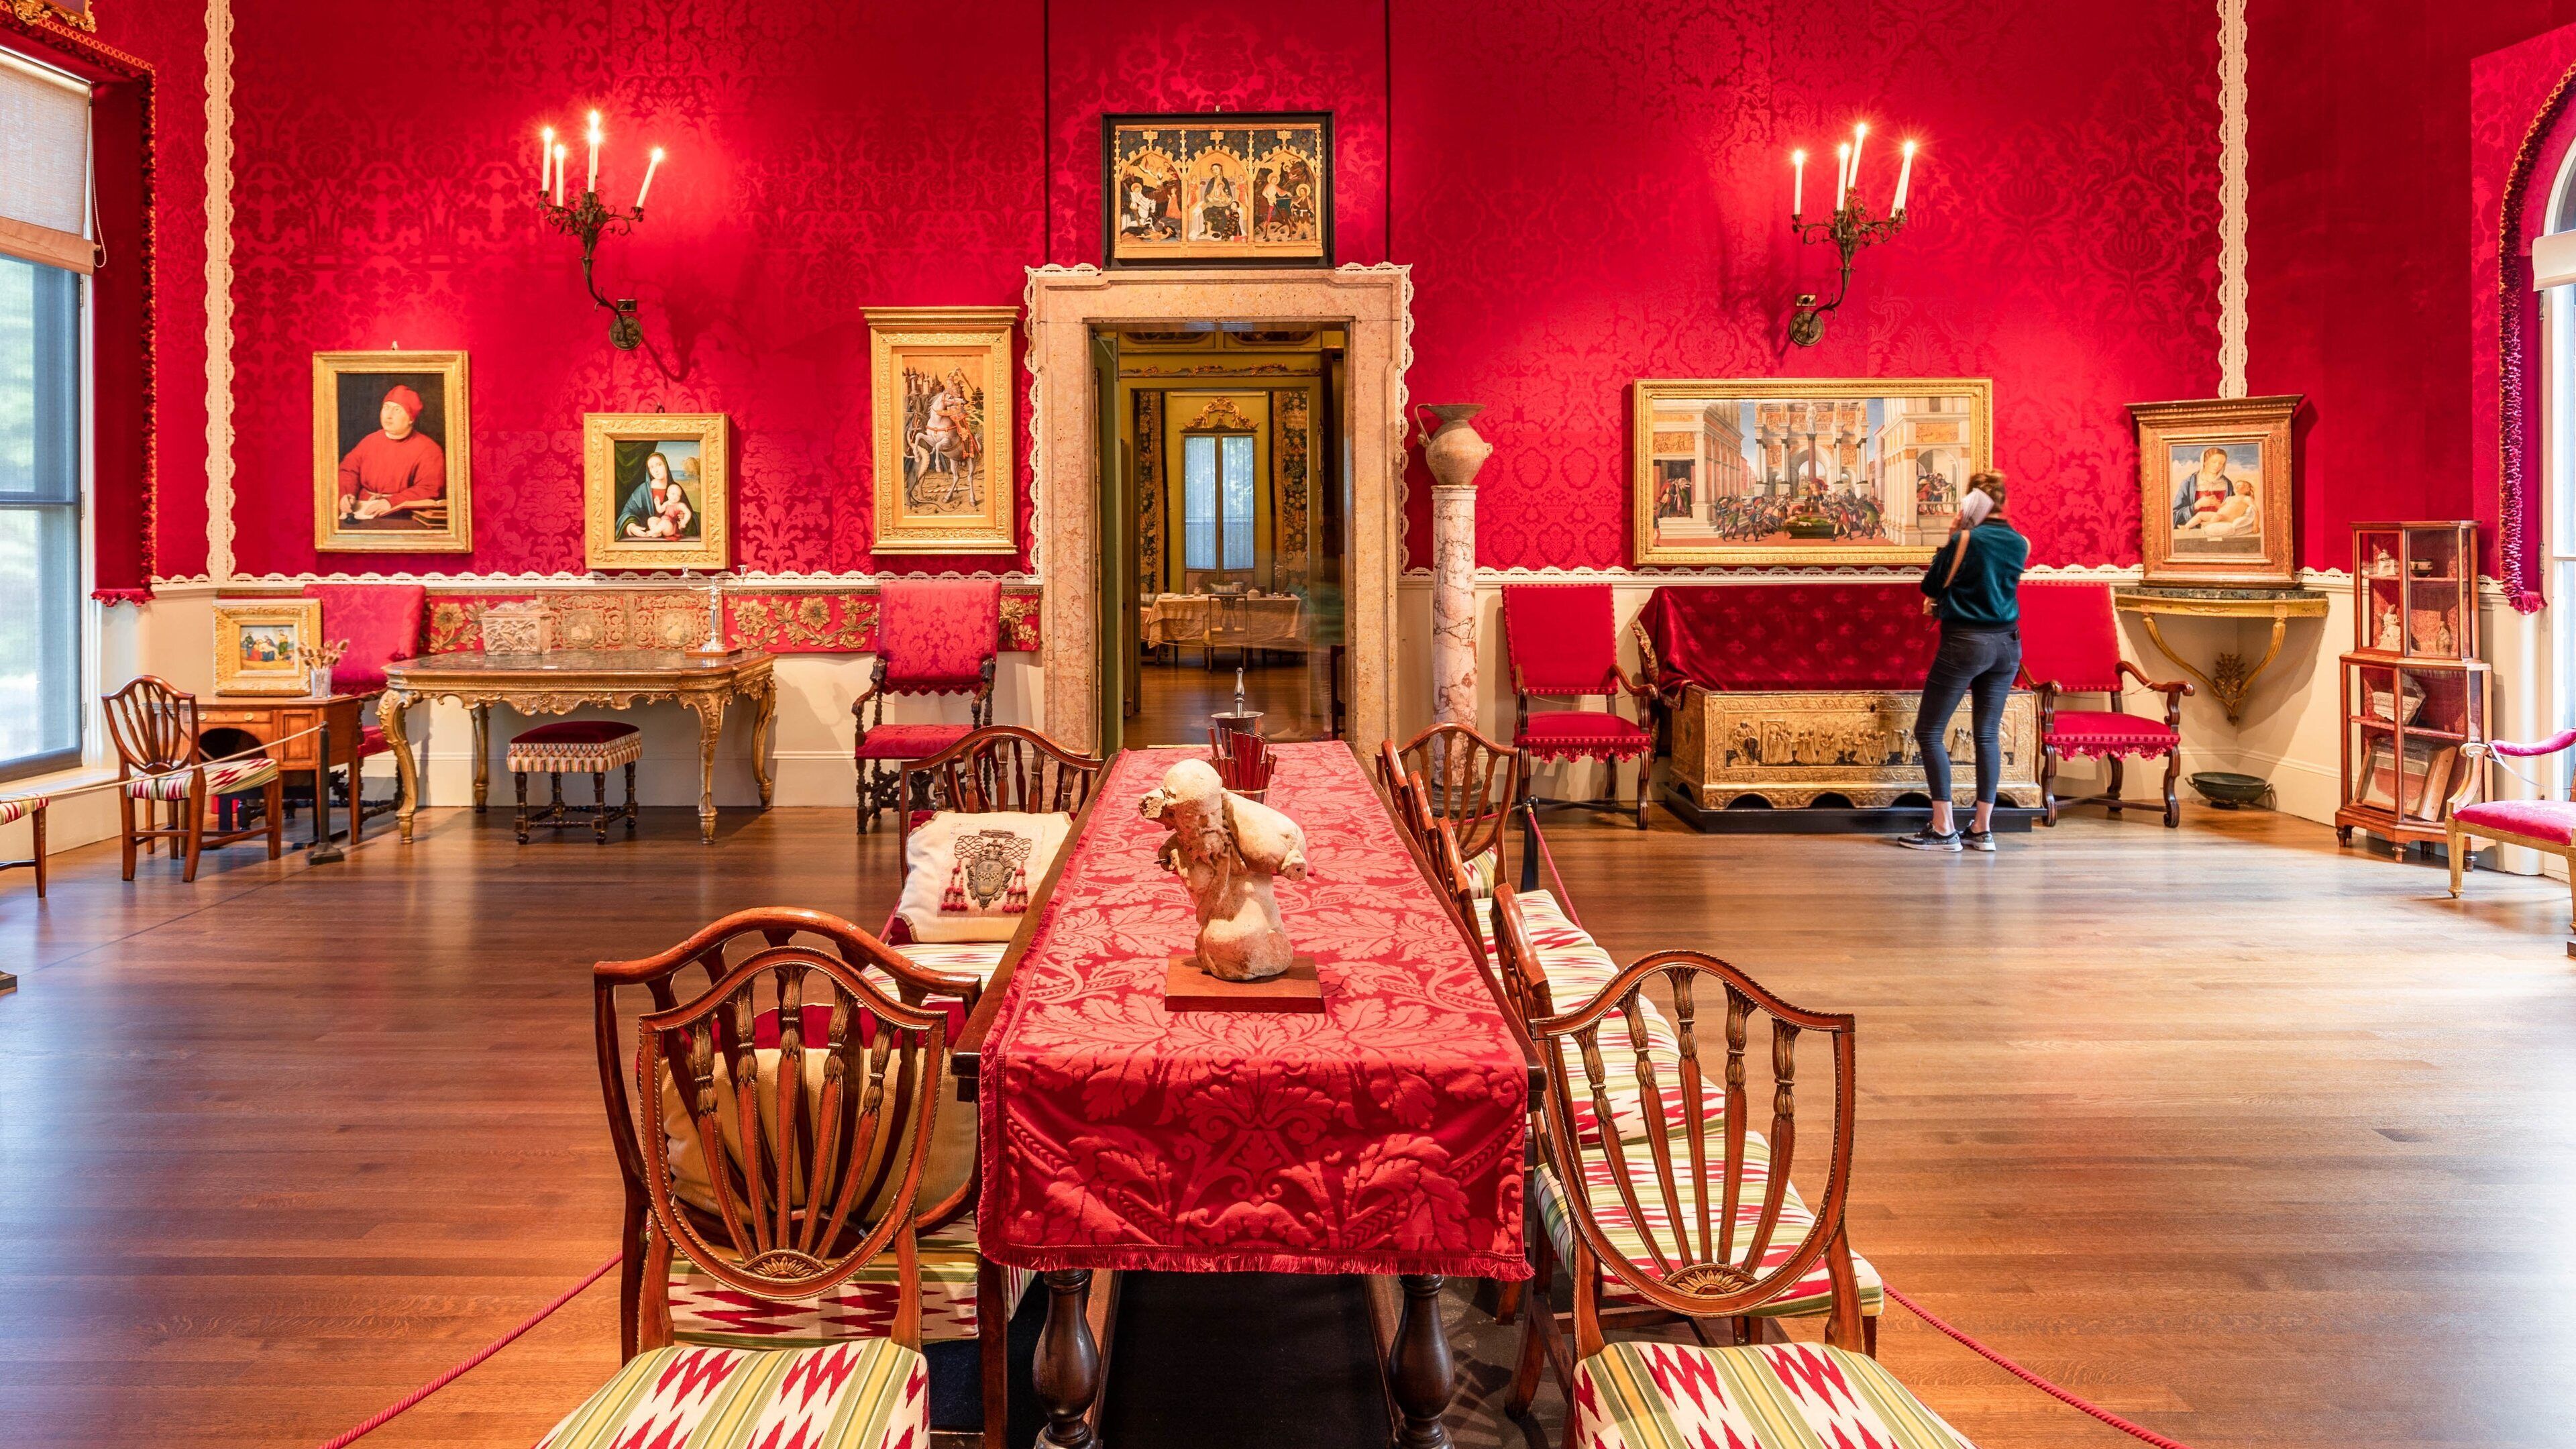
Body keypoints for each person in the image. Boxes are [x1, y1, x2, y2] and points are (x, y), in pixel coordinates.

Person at [1896, 472, 2028, 853]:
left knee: (1930, 730)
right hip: (2009, 645)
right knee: (1987, 733)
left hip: (1966, 642)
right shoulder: (2021, 542)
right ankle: (1983, 830)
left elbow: (1931, 586)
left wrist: (1953, 534)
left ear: (1972, 502)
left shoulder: (1965, 538)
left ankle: (1943, 829)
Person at [336, 384, 445, 524]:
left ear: (411, 418)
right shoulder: (370, 440)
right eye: (386, 408)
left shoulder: (430, 449)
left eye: (397, 410)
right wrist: (346, 494)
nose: (389, 416)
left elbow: (429, 488)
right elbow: (348, 470)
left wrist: (391, 502)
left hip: (401, 516)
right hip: (362, 512)